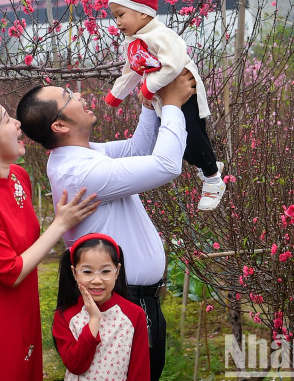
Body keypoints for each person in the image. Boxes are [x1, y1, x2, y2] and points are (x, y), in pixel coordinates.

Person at [16, 70, 196, 381]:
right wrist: (172, 105)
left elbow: (136, 150)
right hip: (121, 303)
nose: (79, 95)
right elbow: (166, 165)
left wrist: (148, 102)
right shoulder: (81, 172)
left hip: (134, 300)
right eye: (69, 97)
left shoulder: (81, 156)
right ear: (59, 125)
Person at [0, 98, 100, 381]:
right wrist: (60, 224)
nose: (18, 123)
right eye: (7, 120)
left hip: (24, 303)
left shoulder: (19, 176)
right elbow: (10, 272)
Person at [106, 0, 226, 211]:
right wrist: (116, 94)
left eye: (121, 15)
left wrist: (148, 88)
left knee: (192, 135)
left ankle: (213, 178)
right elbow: (132, 70)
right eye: (115, 17)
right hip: (164, 97)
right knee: (178, 143)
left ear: (142, 13)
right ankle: (208, 165)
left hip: (185, 91)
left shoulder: (160, 35)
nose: (117, 22)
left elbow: (173, 64)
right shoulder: (134, 41)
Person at [52, 233, 150, 381]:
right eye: (87, 272)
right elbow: (76, 365)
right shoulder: (65, 316)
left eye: (105, 271)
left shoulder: (134, 315)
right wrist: (94, 319)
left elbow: (140, 372)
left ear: (117, 271)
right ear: (74, 273)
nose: (97, 280)